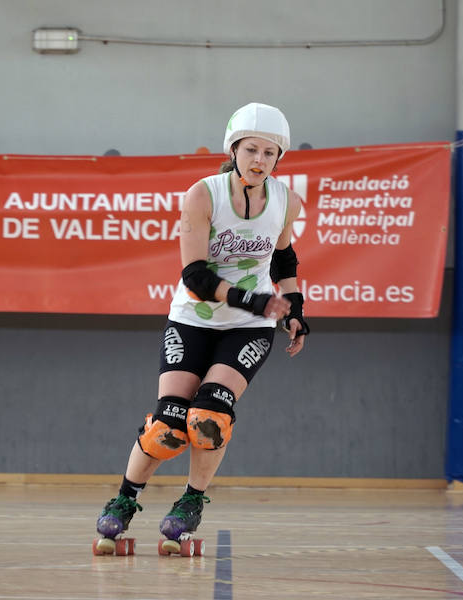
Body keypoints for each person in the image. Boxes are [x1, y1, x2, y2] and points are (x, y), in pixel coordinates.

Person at [94, 102, 310, 551]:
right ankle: (124, 499)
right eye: (251, 149)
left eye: (270, 154)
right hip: (194, 317)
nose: (259, 161)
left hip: (248, 327)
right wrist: (252, 297)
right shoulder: (203, 194)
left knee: (211, 415)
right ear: (233, 149)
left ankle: (192, 500)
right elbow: (195, 277)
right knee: (168, 424)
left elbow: (284, 256)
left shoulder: (286, 199)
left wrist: (293, 307)